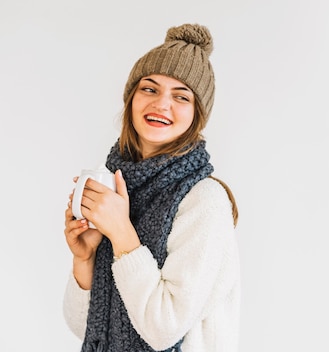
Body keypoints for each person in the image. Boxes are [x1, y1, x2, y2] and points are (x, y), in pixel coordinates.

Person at [62, 23, 240, 352]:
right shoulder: (117, 186)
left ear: (197, 115)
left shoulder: (204, 201)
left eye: (181, 96)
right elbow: (82, 327)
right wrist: (84, 259)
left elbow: (163, 330)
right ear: (131, 98)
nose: (161, 104)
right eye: (149, 89)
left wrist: (121, 233)